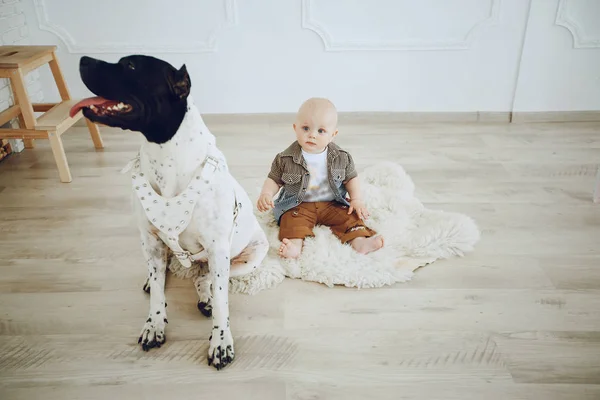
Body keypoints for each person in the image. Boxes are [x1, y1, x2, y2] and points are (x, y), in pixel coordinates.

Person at [257, 97, 385, 259]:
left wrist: (356, 199)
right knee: (291, 221)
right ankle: (294, 246)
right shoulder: (285, 159)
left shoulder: (341, 157)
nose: (312, 135)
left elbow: (351, 179)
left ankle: (360, 242)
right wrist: (266, 194)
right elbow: (274, 179)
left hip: (332, 204)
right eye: (305, 128)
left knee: (350, 217)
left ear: (333, 134)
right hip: (299, 205)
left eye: (321, 131)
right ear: (295, 128)